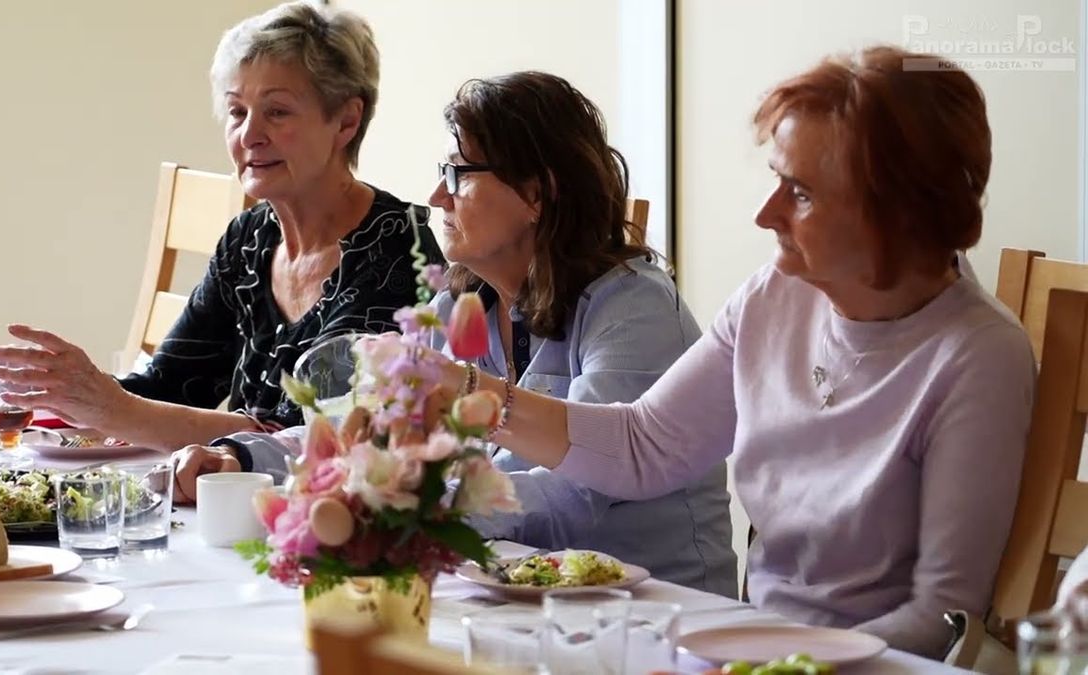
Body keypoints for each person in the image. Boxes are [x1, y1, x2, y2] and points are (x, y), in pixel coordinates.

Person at [419, 47, 1035, 658]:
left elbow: (939, 619)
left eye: (800, 193)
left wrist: (774, 660)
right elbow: (642, 445)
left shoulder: (979, 355)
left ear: (897, 212)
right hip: (751, 645)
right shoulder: (775, 295)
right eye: (776, 180)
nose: (764, 214)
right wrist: (466, 390)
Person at [170, 71, 738, 595]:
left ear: (537, 194)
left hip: (658, 616)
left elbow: (574, 498)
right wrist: (241, 459)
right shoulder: (462, 306)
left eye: (457, 175)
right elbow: (359, 430)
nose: (437, 196)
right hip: (516, 599)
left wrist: (396, 496)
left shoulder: (632, 305)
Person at [0, 2, 442, 452]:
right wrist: (46, 393)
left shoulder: (399, 253)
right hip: (233, 505)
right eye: (237, 111)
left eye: (276, 112)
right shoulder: (249, 239)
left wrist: (110, 407)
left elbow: (308, 443)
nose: (248, 136)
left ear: (346, 120)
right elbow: (171, 385)